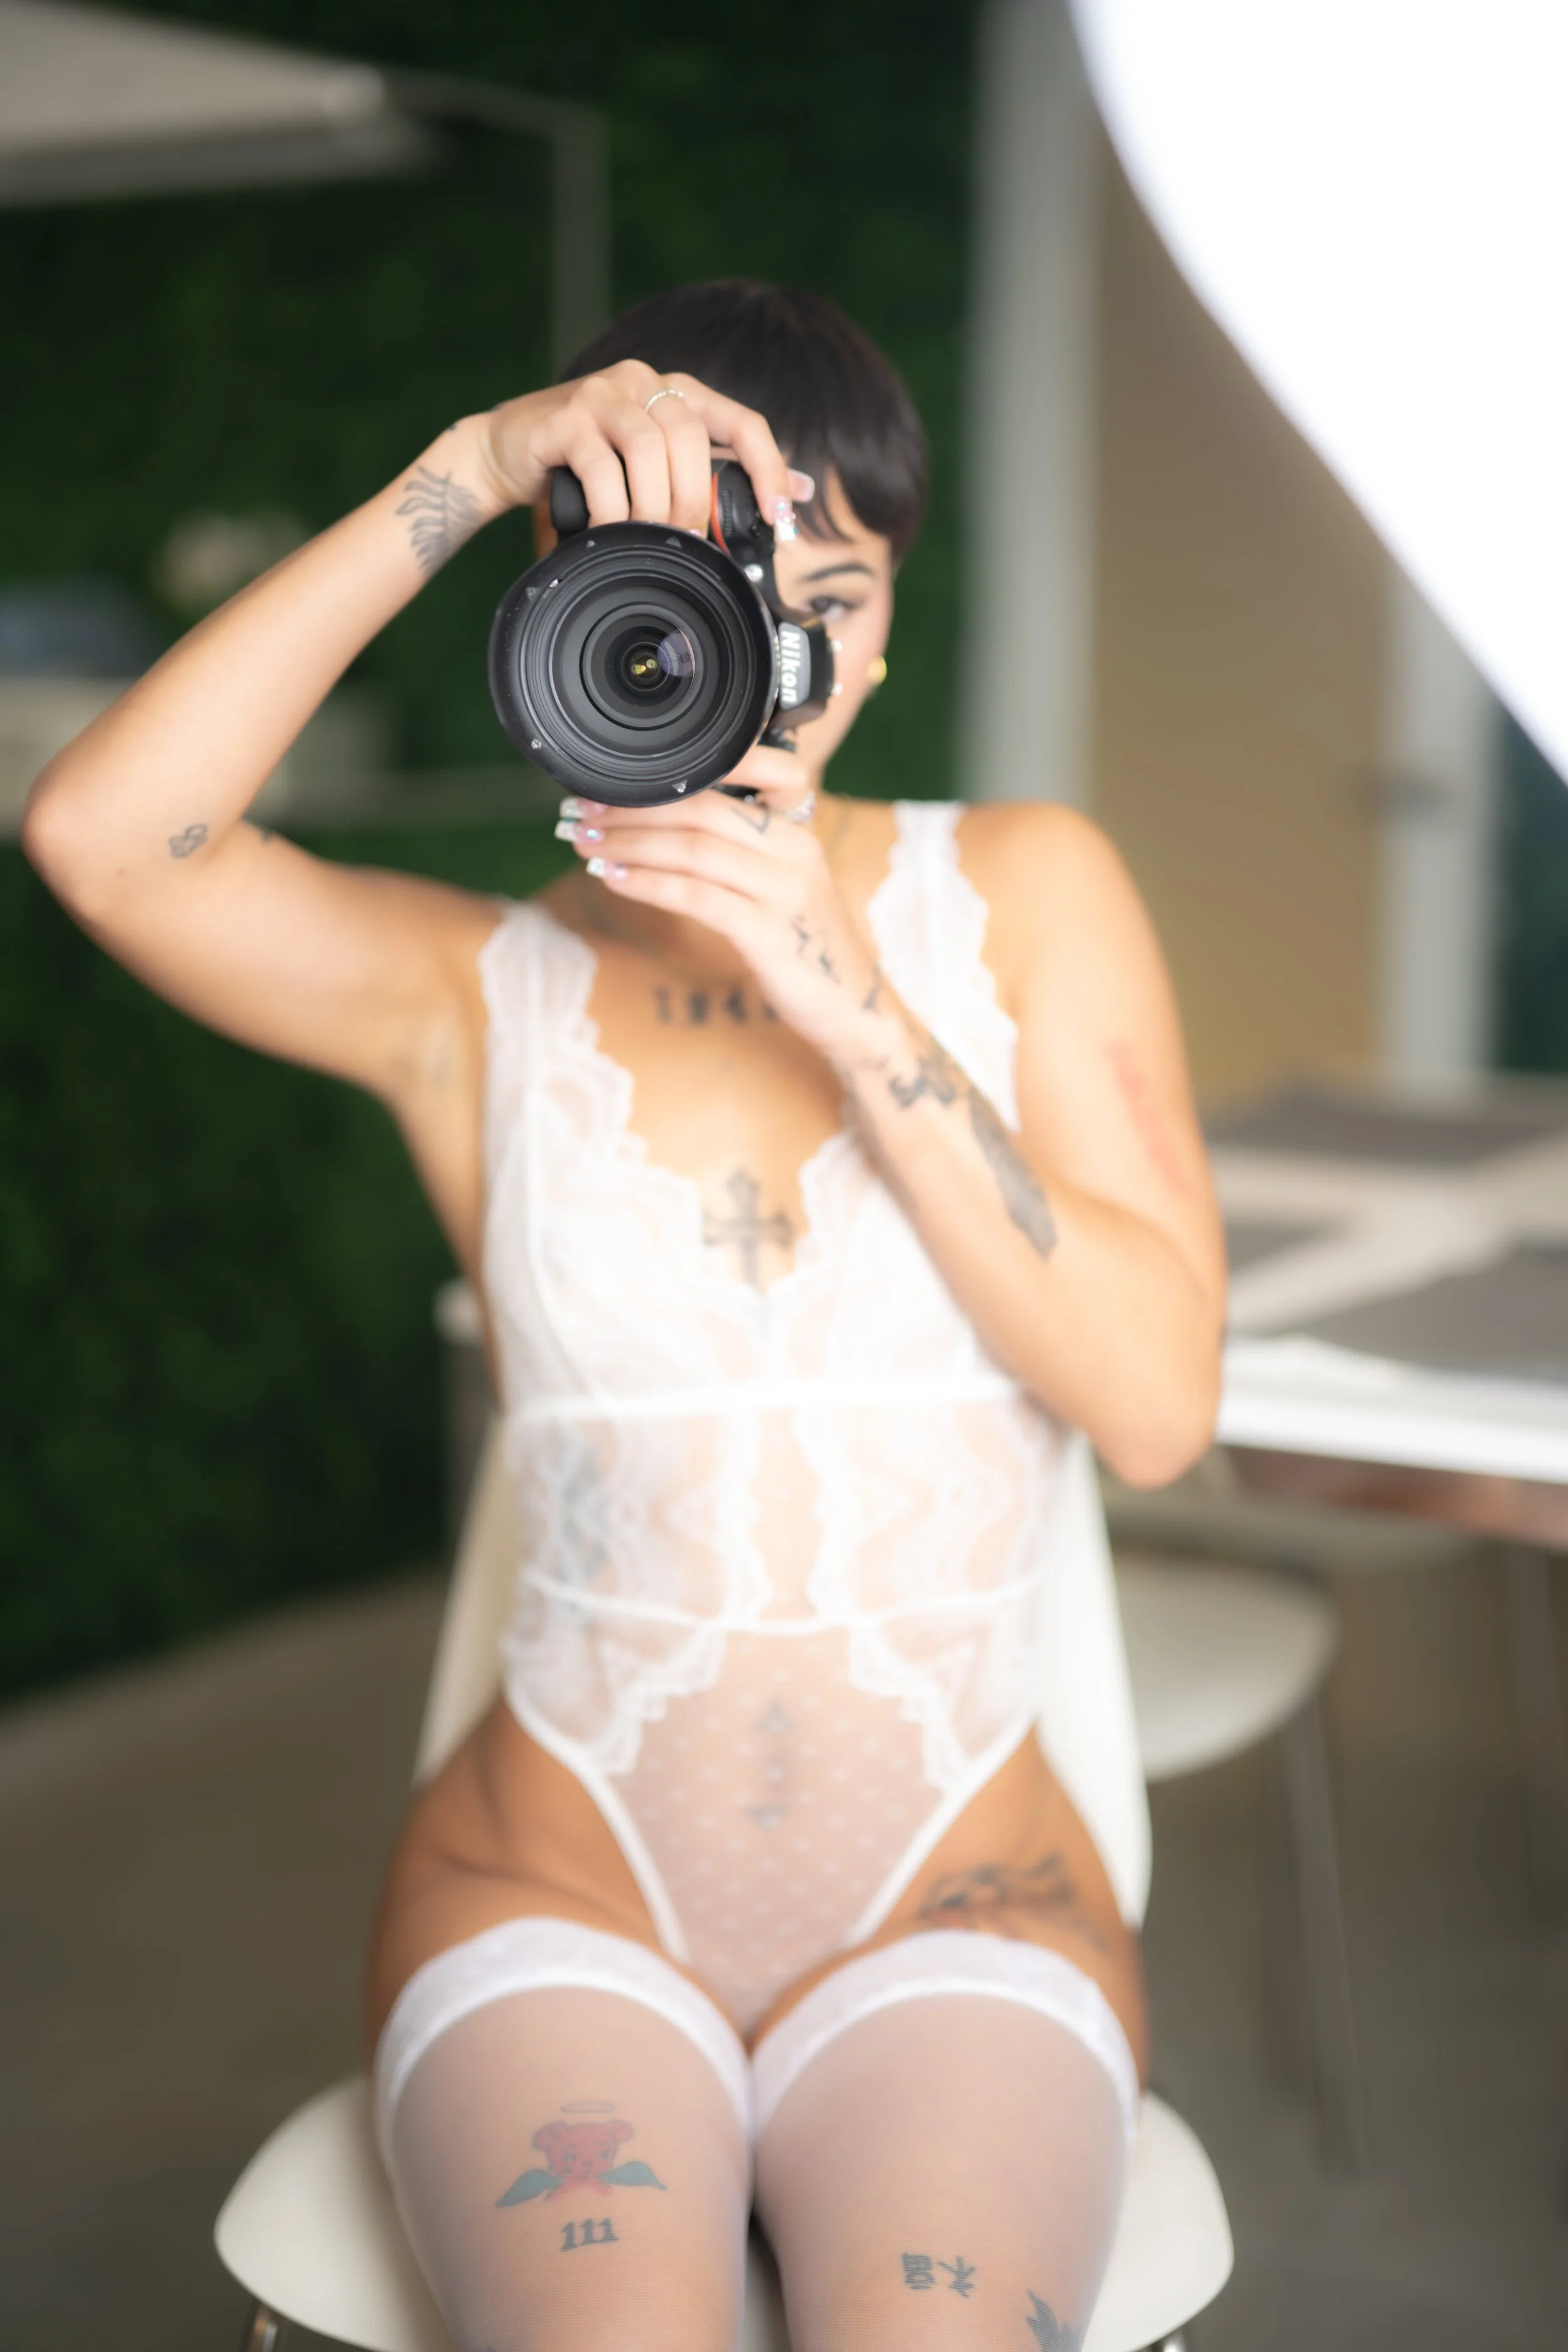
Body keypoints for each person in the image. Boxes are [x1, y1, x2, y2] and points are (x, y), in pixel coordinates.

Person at [24, 280, 1224, 2352]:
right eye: (713, 596)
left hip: (962, 1904)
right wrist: (470, 466)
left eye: (829, 598)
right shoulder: (462, 988)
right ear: (575, 604)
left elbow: (1153, 1409)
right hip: (553, 1894)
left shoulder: (1022, 890)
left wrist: (846, 994)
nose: (775, 666)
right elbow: (101, 836)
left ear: (886, 623)